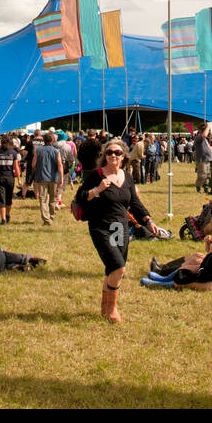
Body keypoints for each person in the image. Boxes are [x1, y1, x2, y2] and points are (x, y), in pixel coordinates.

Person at [76, 138, 153, 323]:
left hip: (120, 227)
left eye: (117, 153)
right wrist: (97, 190)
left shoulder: (127, 177)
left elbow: (134, 203)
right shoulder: (96, 175)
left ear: (123, 157)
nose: (113, 155)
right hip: (100, 226)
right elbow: (80, 197)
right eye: (109, 152)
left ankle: (104, 307)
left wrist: (148, 220)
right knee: (118, 266)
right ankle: (112, 309)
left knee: (113, 268)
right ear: (104, 155)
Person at [30, 132, 64, 225]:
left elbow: (33, 164)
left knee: (43, 199)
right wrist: (61, 178)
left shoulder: (38, 150)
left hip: (42, 177)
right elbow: (60, 165)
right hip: (53, 178)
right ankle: (51, 217)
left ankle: (46, 219)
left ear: (43, 140)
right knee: (52, 198)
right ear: (53, 140)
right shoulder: (56, 151)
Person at [0, 138, 20, 226]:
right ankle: (7, 214)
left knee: (1, 198)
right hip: (10, 177)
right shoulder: (13, 153)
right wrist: (19, 178)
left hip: (0, 177)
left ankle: (3, 218)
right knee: (8, 197)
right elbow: (16, 167)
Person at [192, 124, 212, 193]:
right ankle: (198, 187)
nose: (207, 132)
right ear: (200, 131)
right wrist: (208, 127)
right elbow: (204, 135)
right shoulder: (198, 137)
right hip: (202, 159)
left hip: (207, 159)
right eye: (205, 130)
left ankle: (206, 188)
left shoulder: (205, 139)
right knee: (202, 175)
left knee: (208, 175)